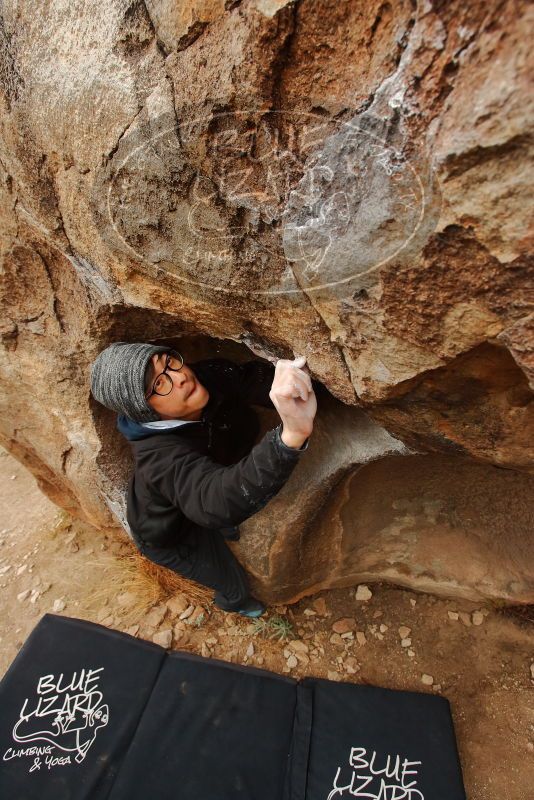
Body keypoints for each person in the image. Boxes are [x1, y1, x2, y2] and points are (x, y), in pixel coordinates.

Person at [90, 342, 317, 617]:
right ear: (143, 410)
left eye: (168, 362)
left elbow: (248, 381)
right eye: (160, 383)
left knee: (219, 517)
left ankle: (222, 531)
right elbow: (214, 502)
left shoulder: (201, 379)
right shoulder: (158, 460)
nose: (181, 376)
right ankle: (235, 603)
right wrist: (290, 437)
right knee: (230, 580)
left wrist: (298, 385)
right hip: (167, 534)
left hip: (196, 493)